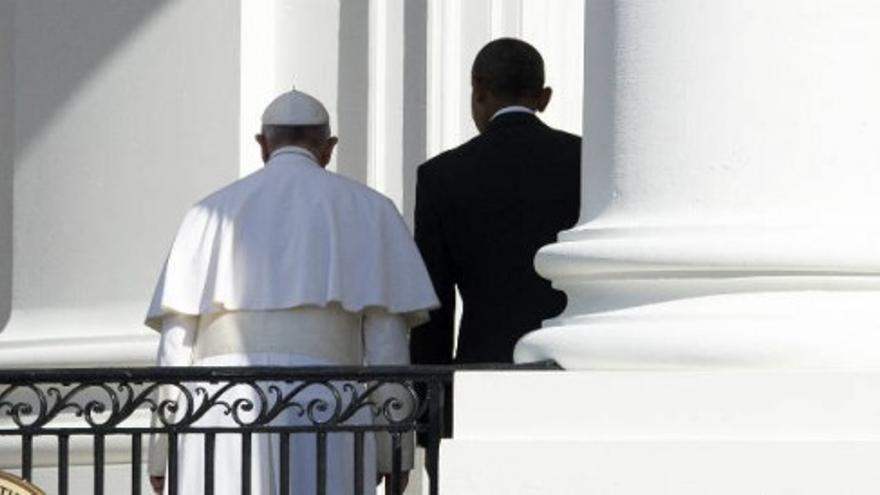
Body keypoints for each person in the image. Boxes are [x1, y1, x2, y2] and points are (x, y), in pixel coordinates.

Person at [144, 87, 438, 494]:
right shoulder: (370, 210)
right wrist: (395, 450)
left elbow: (175, 350)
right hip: (329, 406)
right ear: (329, 146)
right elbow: (388, 348)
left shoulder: (206, 213)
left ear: (262, 145)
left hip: (220, 411)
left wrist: (163, 450)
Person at [410, 38, 581, 366]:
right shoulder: (587, 161)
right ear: (544, 98)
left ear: (478, 89)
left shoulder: (440, 175)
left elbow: (434, 303)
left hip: (482, 365)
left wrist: (427, 397)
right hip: (570, 363)